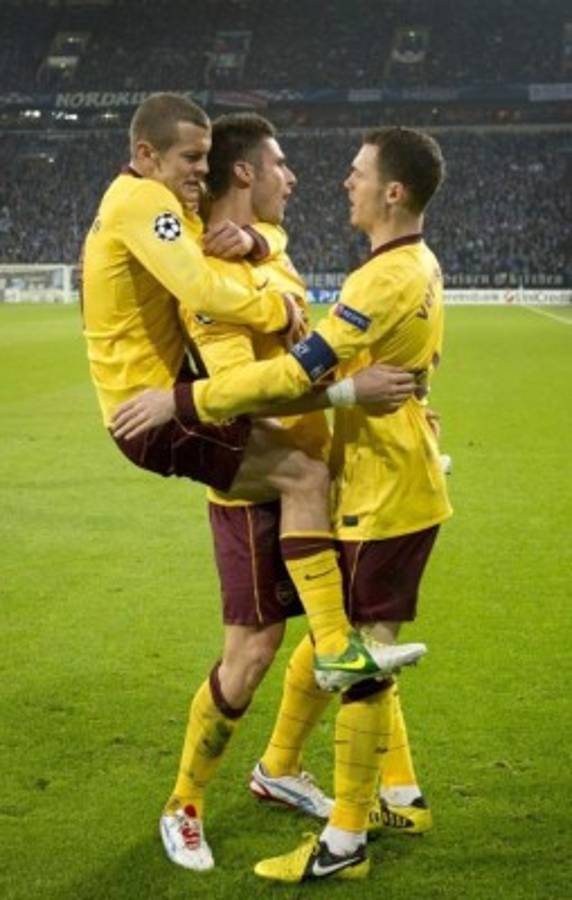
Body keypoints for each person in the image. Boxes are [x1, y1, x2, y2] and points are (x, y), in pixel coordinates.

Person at [112, 125, 453, 882]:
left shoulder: (265, 245)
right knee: (255, 654)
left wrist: (264, 251)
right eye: (279, 164)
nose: (296, 177)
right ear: (245, 172)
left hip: (321, 472)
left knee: (352, 634)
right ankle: (184, 803)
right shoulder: (207, 275)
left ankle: (314, 775)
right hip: (261, 478)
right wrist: (339, 391)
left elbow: (295, 302)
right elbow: (252, 387)